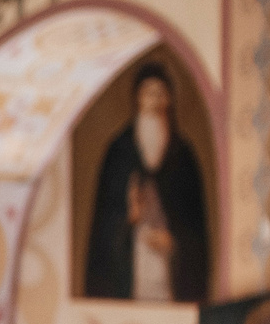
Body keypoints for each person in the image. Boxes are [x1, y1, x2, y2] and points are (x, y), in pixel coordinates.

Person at [84, 61, 210, 305]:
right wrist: (129, 218)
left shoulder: (183, 155)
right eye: (148, 92)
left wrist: (174, 241)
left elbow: (196, 226)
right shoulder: (119, 151)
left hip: (170, 268)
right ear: (137, 98)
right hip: (130, 263)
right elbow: (103, 226)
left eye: (160, 92)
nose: (154, 99)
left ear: (170, 99)